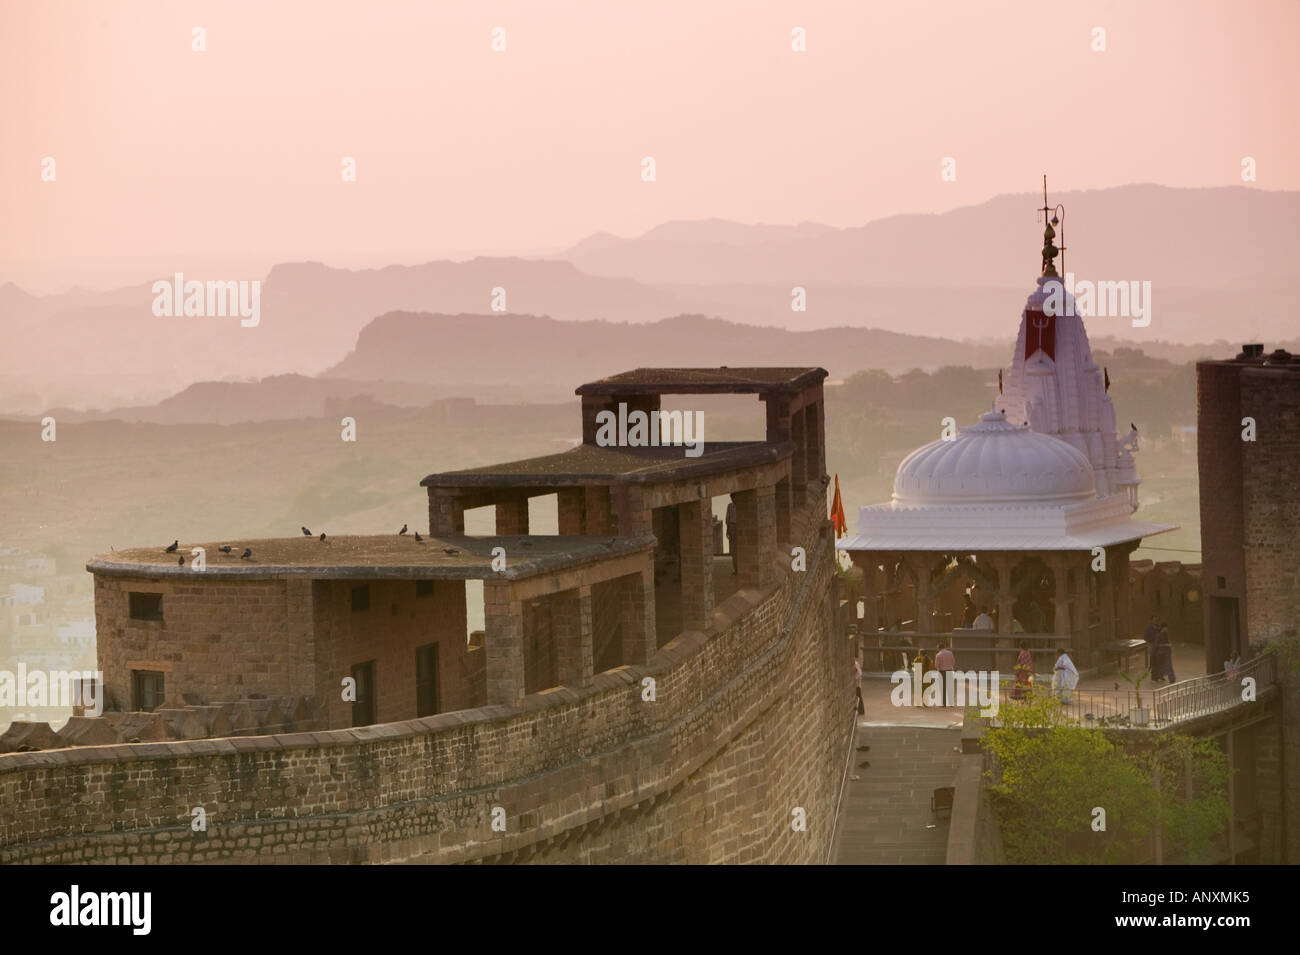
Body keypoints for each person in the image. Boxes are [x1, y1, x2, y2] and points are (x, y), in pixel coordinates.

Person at [934, 640, 955, 706]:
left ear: (939, 648)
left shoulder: (938, 655)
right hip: (950, 671)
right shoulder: (950, 653)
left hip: (942, 672)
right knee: (950, 687)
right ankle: (951, 703)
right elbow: (953, 662)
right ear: (944, 647)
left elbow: (936, 665)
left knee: (942, 688)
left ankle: (944, 703)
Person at [725, 500, 738, 574]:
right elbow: (728, 520)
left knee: (739, 549)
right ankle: (736, 569)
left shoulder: (732, 506)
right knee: (734, 549)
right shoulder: (730, 506)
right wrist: (728, 531)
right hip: (732, 528)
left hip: (738, 527)